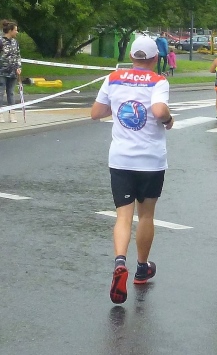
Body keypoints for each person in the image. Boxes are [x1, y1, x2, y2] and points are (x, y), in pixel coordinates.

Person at [91, 36, 174, 304]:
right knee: (146, 216)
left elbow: (96, 112)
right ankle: (141, 268)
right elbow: (159, 110)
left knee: (123, 217)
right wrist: (168, 119)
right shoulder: (158, 81)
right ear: (154, 58)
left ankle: (119, 262)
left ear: (131, 56)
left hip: (121, 160)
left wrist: (117, 108)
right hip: (150, 161)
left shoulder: (113, 78)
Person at [0, 20, 22, 123]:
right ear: (10, 30)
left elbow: (18, 56)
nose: (17, 32)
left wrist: (19, 67)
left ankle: (12, 114)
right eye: (15, 30)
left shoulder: (15, 42)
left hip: (13, 72)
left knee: (11, 92)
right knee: (1, 92)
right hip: (1, 72)